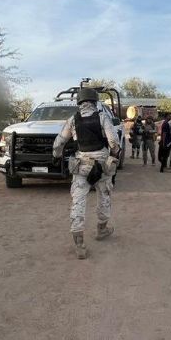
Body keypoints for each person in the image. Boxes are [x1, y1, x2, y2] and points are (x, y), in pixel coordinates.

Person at [52, 87, 120, 259]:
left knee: (78, 200)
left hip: (82, 165)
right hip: (102, 165)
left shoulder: (73, 120)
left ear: (79, 102)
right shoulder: (103, 117)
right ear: (95, 101)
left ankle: (79, 244)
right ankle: (102, 230)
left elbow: (59, 142)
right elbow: (113, 141)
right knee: (104, 195)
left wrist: (56, 156)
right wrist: (114, 154)